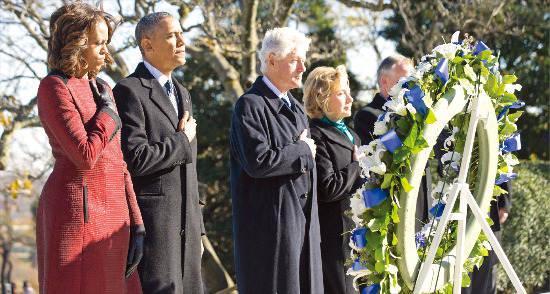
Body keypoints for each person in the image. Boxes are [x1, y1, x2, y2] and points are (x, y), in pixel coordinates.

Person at [36, 2, 144, 293]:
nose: (105, 52)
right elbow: (84, 155)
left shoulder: (103, 88)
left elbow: (119, 162)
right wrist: (108, 115)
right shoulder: (53, 87)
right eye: (98, 43)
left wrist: (136, 221)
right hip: (75, 215)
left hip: (115, 215)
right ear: (76, 44)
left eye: (106, 43)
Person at [113, 12, 204, 294]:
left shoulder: (183, 92)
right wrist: (181, 140)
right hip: (156, 229)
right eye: (171, 36)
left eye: (181, 34)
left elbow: (190, 170)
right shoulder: (128, 90)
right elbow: (135, 159)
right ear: (147, 45)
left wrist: (198, 229)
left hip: (187, 227)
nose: (181, 41)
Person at [229, 27, 323, 293]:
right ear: (271, 61)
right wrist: (302, 149)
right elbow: (258, 161)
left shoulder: (297, 109)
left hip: (304, 228)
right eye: (294, 61)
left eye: (303, 60)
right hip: (272, 235)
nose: (303, 68)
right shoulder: (250, 105)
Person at [303, 65, 364, 294]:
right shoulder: (315, 134)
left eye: (348, 91)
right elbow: (327, 188)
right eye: (341, 93)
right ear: (322, 99)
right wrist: (358, 166)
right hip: (337, 240)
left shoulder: (353, 135)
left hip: (361, 235)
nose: (350, 98)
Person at [354, 54, 430, 232]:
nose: (410, 86)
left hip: (422, 202)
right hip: (396, 208)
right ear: (385, 81)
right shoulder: (369, 115)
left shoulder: (418, 111)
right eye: (404, 80)